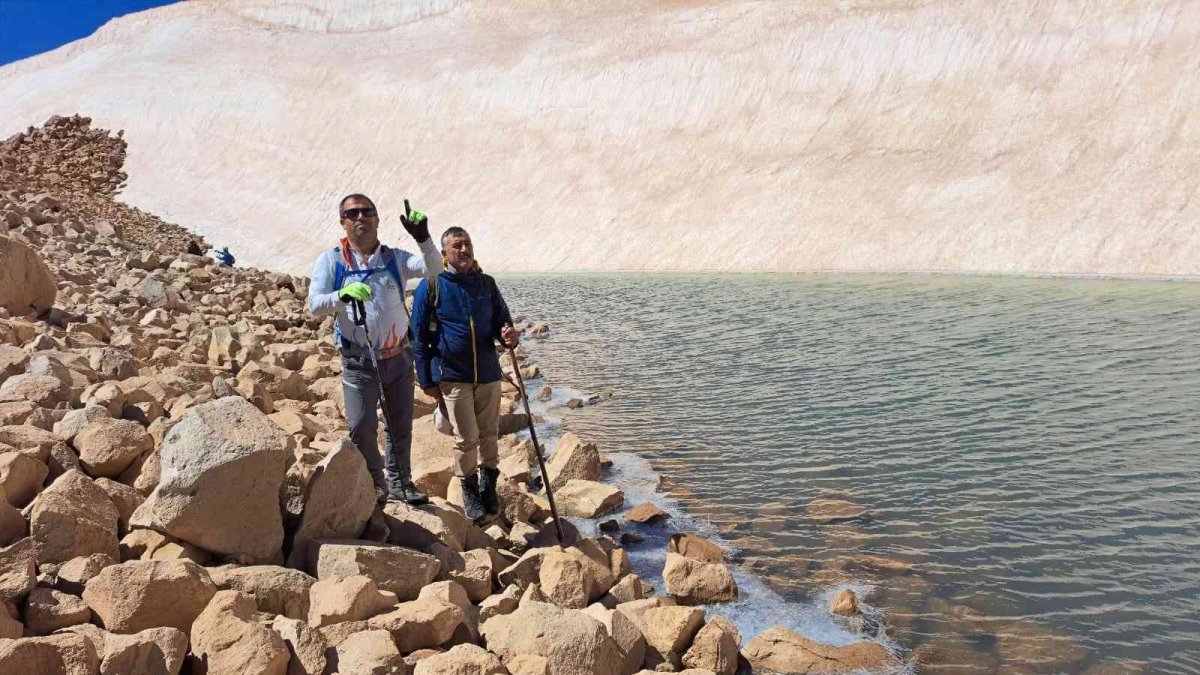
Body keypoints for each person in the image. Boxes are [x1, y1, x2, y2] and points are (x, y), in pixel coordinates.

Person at [307, 194, 440, 505]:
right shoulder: (331, 261)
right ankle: (374, 482)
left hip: (398, 357)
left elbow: (434, 269)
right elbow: (314, 305)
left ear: (378, 219)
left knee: (399, 425)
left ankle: (401, 484)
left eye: (367, 212)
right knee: (361, 426)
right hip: (358, 361)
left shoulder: (394, 259)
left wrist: (423, 238)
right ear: (343, 222)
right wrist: (342, 294)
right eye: (351, 213)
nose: (360, 218)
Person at [411, 227, 520, 521]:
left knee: (489, 434)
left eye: (467, 244)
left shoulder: (486, 284)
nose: (464, 250)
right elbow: (418, 337)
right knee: (466, 437)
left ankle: (488, 488)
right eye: (457, 245)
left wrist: (510, 335)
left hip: (487, 372)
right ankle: (469, 490)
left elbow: (503, 322)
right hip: (452, 375)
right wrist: (426, 379)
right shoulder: (431, 286)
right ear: (444, 254)